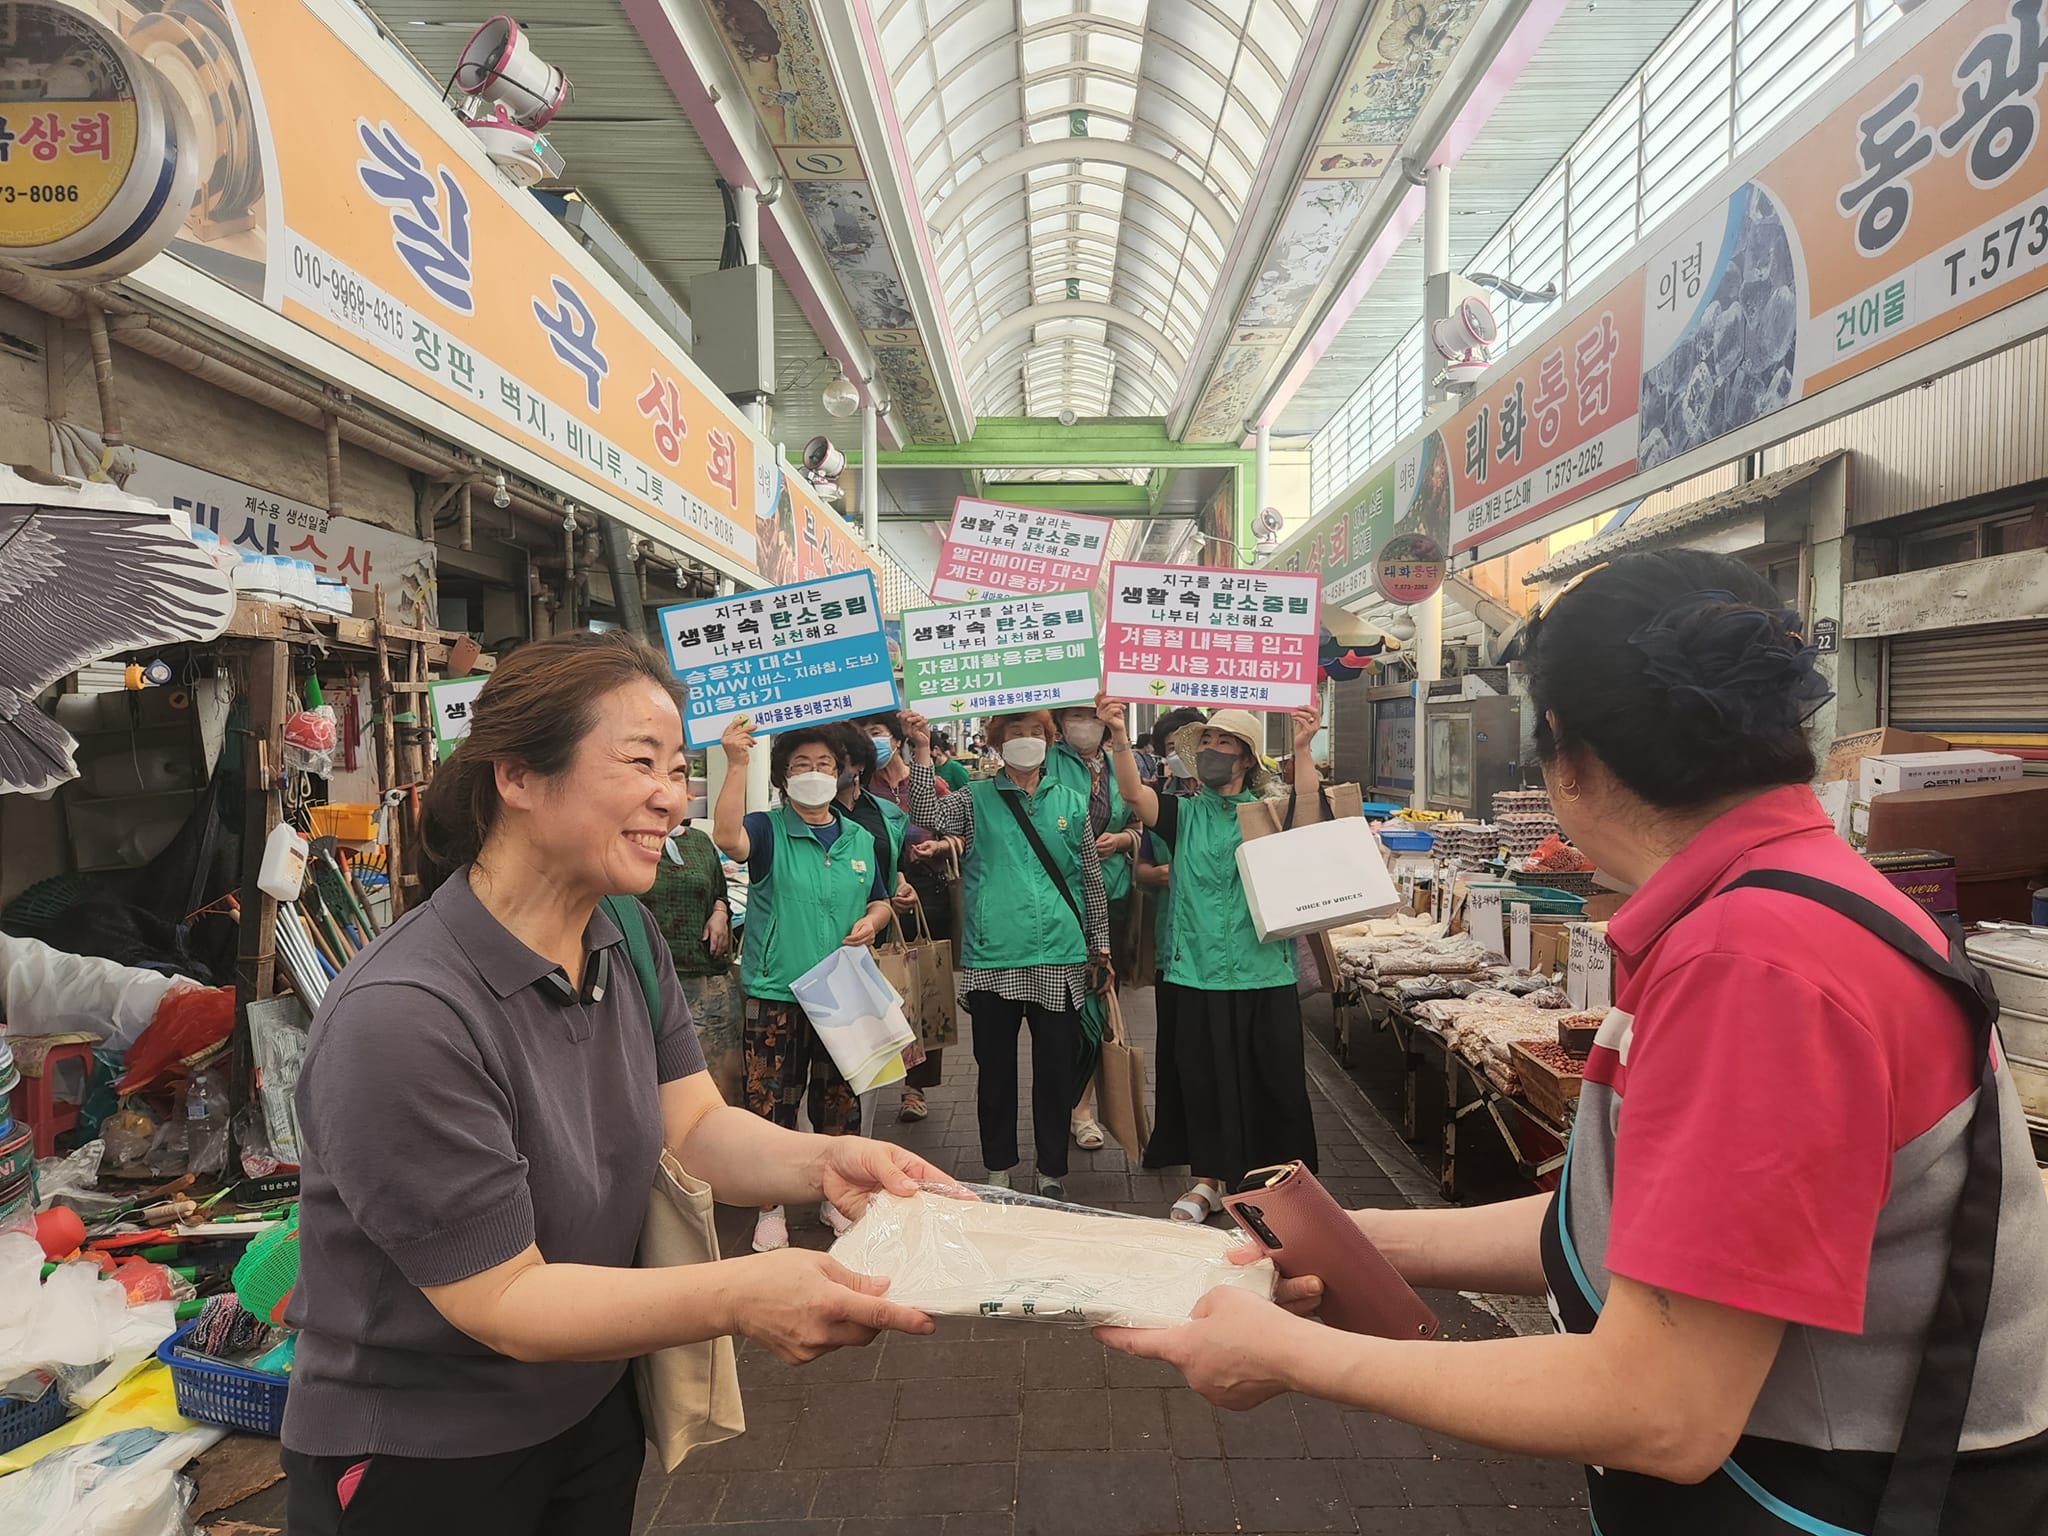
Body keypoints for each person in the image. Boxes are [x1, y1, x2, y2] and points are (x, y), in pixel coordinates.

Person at [1101, 552, 2048, 1534]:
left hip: (1827, 1500)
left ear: (1565, 753)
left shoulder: (1754, 963)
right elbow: (1633, 1221)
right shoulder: (1789, 904)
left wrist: (1289, 1356)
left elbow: (1657, 1406)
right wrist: (1349, 1240)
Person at [282, 632, 944, 1536]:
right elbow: (503, 1300)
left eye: (676, 768)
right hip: (426, 1451)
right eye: (639, 762)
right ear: (518, 776)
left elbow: (695, 1125)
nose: (671, 797)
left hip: (591, 1403)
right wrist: (742, 1295)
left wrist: (826, 1162)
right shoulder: (403, 1017)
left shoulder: (620, 935)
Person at [1102, 696, 1322, 1222]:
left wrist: (1302, 748)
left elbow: (1311, 813)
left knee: (1273, 1084)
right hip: (1196, 971)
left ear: (1246, 758)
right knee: (1204, 1081)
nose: (1212, 750)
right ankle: (1207, 1183)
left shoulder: (1267, 814)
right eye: (1206, 741)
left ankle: (1279, 1189)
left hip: (1264, 969)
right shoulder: (1183, 813)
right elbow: (1133, 794)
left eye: (1225, 742)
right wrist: (1119, 735)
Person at [902, 707, 1112, 1200]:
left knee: (1055, 1071)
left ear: (1050, 740)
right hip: (993, 956)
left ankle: (1051, 1170)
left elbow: (1089, 876)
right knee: (995, 1071)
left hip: (1059, 955)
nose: (1027, 740)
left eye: (1036, 732)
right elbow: (925, 816)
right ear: (997, 742)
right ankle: (998, 1167)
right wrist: (920, 749)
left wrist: (1100, 944)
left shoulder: (1070, 800)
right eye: (1016, 732)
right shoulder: (975, 798)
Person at [712, 717, 894, 1253]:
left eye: (824, 764)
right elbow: (727, 838)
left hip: (843, 991)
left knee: (840, 1102)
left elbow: (880, 898)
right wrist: (737, 763)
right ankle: (770, 1207)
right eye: (801, 765)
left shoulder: (860, 838)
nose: (814, 773)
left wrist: (875, 921)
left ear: (841, 774)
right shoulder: (768, 831)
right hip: (776, 991)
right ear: (784, 777)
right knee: (770, 1105)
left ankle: (836, 1196)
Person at [856, 711, 964, 1121]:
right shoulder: (860, 788)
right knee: (879, 989)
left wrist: (941, 847)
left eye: (876, 732)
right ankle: (869, 1074)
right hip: (876, 894)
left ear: (896, 740)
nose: (870, 740)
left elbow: (958, 833)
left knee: (923, 988)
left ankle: (915, 1087)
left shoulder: (931, 783)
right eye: (863, 734)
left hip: (927, 893)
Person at [1044, 702, 1141, 1154]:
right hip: (1059, 899)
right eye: (1075, 715)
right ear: (1060, 721)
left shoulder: (1121, 760)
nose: (1084, 724)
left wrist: (1123, 840)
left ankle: (1081, 1108)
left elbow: (1141, 818)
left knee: (1098, 1003)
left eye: (1092, 715)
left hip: (1111, 896)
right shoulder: (1046, 759)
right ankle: (1063, 1104)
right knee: (1063, 1009)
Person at [639, 814, 742, 1107]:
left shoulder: (699, 841)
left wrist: (719, 913)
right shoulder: (631, 840)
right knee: (659, 1084)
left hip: (705, 980)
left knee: (717, 1085)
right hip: (647, 981)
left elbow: (719, 891)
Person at [1149, 706, 1205, 795]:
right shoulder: (1165, 797)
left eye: (1187, 746)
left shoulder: (1223, 791)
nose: (1181, 753)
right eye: (1172, 747)